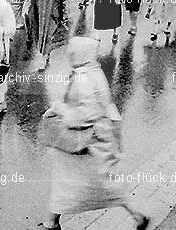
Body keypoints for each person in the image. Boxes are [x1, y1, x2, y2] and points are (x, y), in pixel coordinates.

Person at [38, 37, 149, 230]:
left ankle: (52, 222)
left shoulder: (82, 78)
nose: (69, 55)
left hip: (87, 141)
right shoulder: (93, 71)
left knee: (77, 182)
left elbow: (82, 115)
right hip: (100, 137)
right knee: (101, 182)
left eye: (72, 52)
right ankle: (136, 215)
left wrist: (59, 109)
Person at [22, 0, 69, 72]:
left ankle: (43, 58)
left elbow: (65, 1)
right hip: (38, 13)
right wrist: (26, 7)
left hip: (53, 15)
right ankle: (45, 54)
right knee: (39, 35)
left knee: (48, 36)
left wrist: (65, 16)